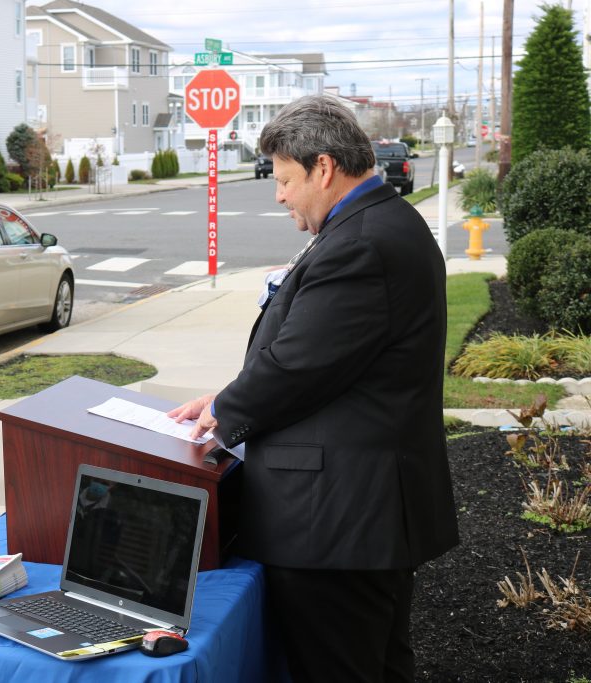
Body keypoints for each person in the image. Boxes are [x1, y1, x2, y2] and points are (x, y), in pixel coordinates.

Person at [168, 96, 459, 682]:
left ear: (323, 168)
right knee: (377, 665)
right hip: (363, 513)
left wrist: (227, 408)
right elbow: (328, 355)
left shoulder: (361, 243)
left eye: (284, 180)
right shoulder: (377, 223)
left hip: (340, 520)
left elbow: (299, 364)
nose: (279, 196)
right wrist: (225, 395)